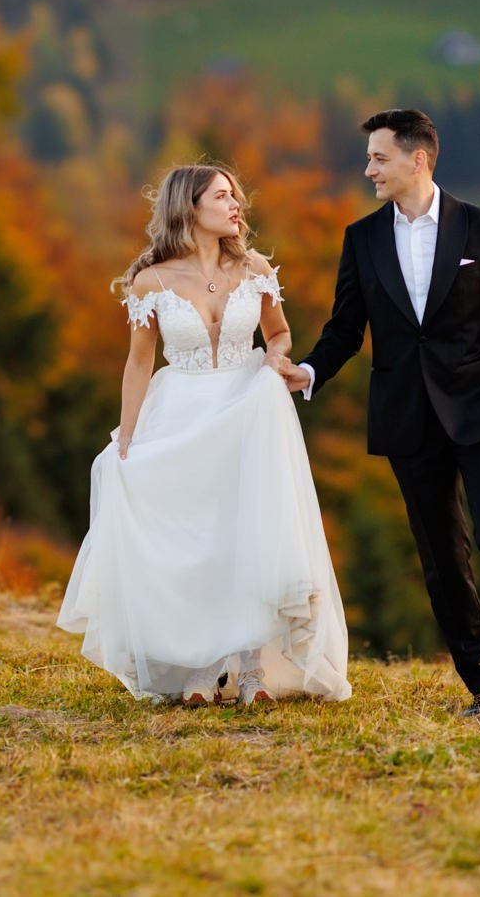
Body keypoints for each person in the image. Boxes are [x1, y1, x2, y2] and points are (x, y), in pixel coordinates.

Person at [269, 108, 480, 716]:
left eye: (379, 158)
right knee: (442, 556)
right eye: (369, 158)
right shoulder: (362, 238)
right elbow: (346, 327)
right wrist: (312, 370)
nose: (369, 170)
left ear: (417, 159)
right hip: (407, 416)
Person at [57, 163, 351, 705]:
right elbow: (139, 363)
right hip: (183, 415)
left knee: (250, 532)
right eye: (222, 196)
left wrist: (275, 362)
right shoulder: (151, 280)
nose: (237, 204)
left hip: (249, 411)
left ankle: (252, 669)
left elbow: (279, 334)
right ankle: (203, 664)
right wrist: (127, 436)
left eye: (235, 195)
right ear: (189, 207)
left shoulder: (256, 268)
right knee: (199, 540)